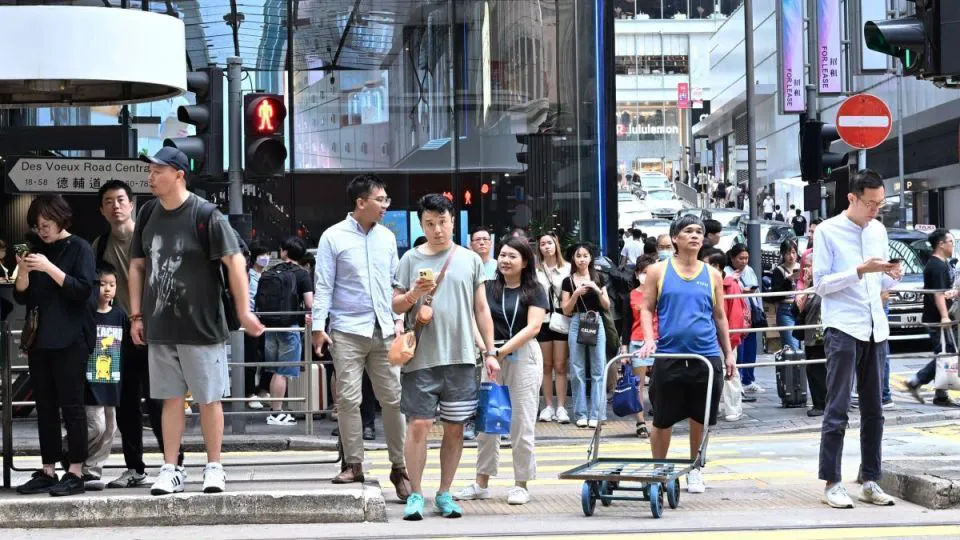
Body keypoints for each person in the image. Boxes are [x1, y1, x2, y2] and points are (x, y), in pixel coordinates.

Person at [130, 147, 265, 496]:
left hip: (201, 326)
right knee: (169, 399)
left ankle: (214, 466)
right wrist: (136, 315)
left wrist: (244, 312)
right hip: (160, 326)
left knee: (208, 398)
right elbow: (138, 265)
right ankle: (170, 468)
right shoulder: (147, 213)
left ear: (179, 174)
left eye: (158, 171)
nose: (150, 177)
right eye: (150, 171)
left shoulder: (206, 214)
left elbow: (235, 261)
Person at [392, 193, 499, 521]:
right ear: (421, 225)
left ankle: (444, 493)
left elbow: (481, 308)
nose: (437, 229)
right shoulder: (410, 259)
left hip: (462, 358)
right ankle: (415, 494)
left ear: (453, 222)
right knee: (419, 425)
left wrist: (490, 351)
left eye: (442, 222)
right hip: (421, 358)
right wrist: (415, 293)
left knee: (455, 428)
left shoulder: (469, 259)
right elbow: (395, 304)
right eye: (429, 223)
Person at [311, 174, 411, 500]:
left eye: (386, 200)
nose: (385, 206)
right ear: (361, 202)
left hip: (384, 329)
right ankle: (353, 463)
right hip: (347, 330)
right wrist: (318, 327)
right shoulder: (333, 237)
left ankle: (400, 467)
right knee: (348, 400)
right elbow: (324, 283)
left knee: (394, 399)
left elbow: (395, 283)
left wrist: (399, 320)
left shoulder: (387, 238)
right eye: (380, 200)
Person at [813, 168, 901, 509]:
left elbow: (881, 285)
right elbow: (820, 284)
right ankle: (832, 482)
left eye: (880, 204)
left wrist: (891, 275)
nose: (875, 210)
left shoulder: (878, 230)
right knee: (837, 408)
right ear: (852, 198)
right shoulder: (828, 230)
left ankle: (871, 479)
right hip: (843, 326)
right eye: (870, 203)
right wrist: (860, 271)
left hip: (875, 326)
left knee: (874, 410)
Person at [89, 180, 182, 489]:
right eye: (108, 201)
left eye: (120, 200)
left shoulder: (149, 238)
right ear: (102, 210)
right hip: (115, 335)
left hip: (153, 331)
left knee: (158, 402)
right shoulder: (99, 244)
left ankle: (174, 465)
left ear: (131, 204)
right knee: (125, 404)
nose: (115, 206)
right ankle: (135, 469)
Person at [637, 215, 736, 494]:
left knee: (700, 418)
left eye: (699, 232)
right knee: (662, 418)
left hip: (706, 356)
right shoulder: (658, 271)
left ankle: (695, 468)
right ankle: (659, 469)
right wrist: (648, 340)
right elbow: (646, 308)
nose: (694, 235)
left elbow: (720, 316)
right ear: (675, 238)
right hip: (669, 355)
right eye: (688, 231)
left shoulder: (712, 274)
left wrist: (728, 354)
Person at [14, 195, 97, 497]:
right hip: (40, 339)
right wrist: (24, 270)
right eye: (37, 227)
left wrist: (49, 267)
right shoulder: (36, 249)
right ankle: (48, 469)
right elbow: (22, 296)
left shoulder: (79, 248)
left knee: (72, 406)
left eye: (46, 225)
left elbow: (82, 290)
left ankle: (75, 471)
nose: (42, 231)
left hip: (72, 339)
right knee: (45, 407)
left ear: (60, 219)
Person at [455, 236, 547, 505]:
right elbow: (473, 317)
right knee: (487, 421)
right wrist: (487, 351)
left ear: (525, 262)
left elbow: (534, 327)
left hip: (523, 357)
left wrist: (499, 351)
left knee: (521, 422)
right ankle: (481, 482)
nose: (505, 260)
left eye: (512, 256)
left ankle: (521, 483)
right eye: (503, 255)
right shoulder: (488, 287)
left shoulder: (535, 289)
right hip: (491, 357)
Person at [78, 263, 129, 491]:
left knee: (110, 429)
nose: (107, 289)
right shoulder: (86, 314)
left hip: (111, 382)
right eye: (102, 284)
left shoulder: (120, 315)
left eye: (112, 284)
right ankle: (66, 449)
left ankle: (92, 470)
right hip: (90, 382)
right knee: (96, 427)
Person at [258, 236, 314, 426]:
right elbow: (310, 303)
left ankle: (275, 410)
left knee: (275, 370)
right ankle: (276, 413)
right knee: (282, 372)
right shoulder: (302, 274)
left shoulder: (270, 272)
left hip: (270, 326)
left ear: (284, 252)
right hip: (290, 327)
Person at [905, 228, 960, 407]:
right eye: (951, 242)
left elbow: (944, 292)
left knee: (945, 354)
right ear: (941, 244)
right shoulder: (936, 266)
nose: (953, 245)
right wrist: (944, 317)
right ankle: (918, 382)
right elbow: (937, 294)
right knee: (947, 354)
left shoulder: (942, 263)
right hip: (938, 318)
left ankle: (939, 393)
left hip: (943, 316)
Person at [561, 243, 611, 429]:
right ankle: (581, 413)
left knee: (598, 369)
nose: (582, 259)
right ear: (573, 259)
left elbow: (607, 306)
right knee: (577, 369)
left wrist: (596, 289)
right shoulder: (568, 281)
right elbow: (566, 309)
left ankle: (597, 414)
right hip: (576, 321)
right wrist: (575, 294)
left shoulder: (599, 277)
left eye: (585, 255)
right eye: (578, 256)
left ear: (591, 258)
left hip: (596, 321)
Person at [702, 248, 748, 422]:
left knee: (729, 372)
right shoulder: (704, 283)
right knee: (712, 373)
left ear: (717, 266)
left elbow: (735, 316)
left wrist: (730, 339)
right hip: (707, 337)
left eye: (706, 264)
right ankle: (716, 407)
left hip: (724, 337)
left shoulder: (730, 285)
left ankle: (733, 408)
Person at [619, 255, 658, 437]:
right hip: (637, 343)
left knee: (659, 385)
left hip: (659, 343)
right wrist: (624, 348)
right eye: (643, 272)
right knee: (638, 385)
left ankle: (659, 421)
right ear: (636, 274)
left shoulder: (661, 294)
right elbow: (626, 324)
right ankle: (640, 422)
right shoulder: (630, 296)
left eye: (650, 273)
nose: (646, 276)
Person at [535, 233, 571, 424]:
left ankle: (561, 407)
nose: (547, 246)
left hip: (562, 319)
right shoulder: (535, 270)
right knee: (546, 365)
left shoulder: (568, 268)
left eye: (550, 243)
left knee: (560, 366)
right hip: (542, 319)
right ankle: (548, 406)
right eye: (543, 244)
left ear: (556, 245)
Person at [725, 243, 764, 394]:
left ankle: (749, 379)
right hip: (736, 315)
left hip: (750, 314)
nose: (744, 261)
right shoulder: (726, 272)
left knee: (750, 348)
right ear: (732, 258)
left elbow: (757, 290)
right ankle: (739, 379)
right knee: (738, 349)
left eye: (746, 258)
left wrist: (759, 310)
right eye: (741, 258)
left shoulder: (749, 270)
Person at [245, 242, 271, 410]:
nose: (266, 258)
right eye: (262, 254)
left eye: (267, 254)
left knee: (267, 357)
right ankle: (249, 393)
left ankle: (263, 389)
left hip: (266, 320)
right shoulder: (247, 275)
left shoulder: (268, 275)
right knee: (251, 358)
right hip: (250, 320)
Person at [770, 240, 801, 351]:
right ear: (783, 254)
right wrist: (788, 280)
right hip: (786, 310)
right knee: (792, 347)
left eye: (793, 252)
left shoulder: (803, 267)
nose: (791, 256)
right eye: (788, 253)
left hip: (802, 309)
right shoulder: (778, 271)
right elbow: (775, 296)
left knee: (802, 347)